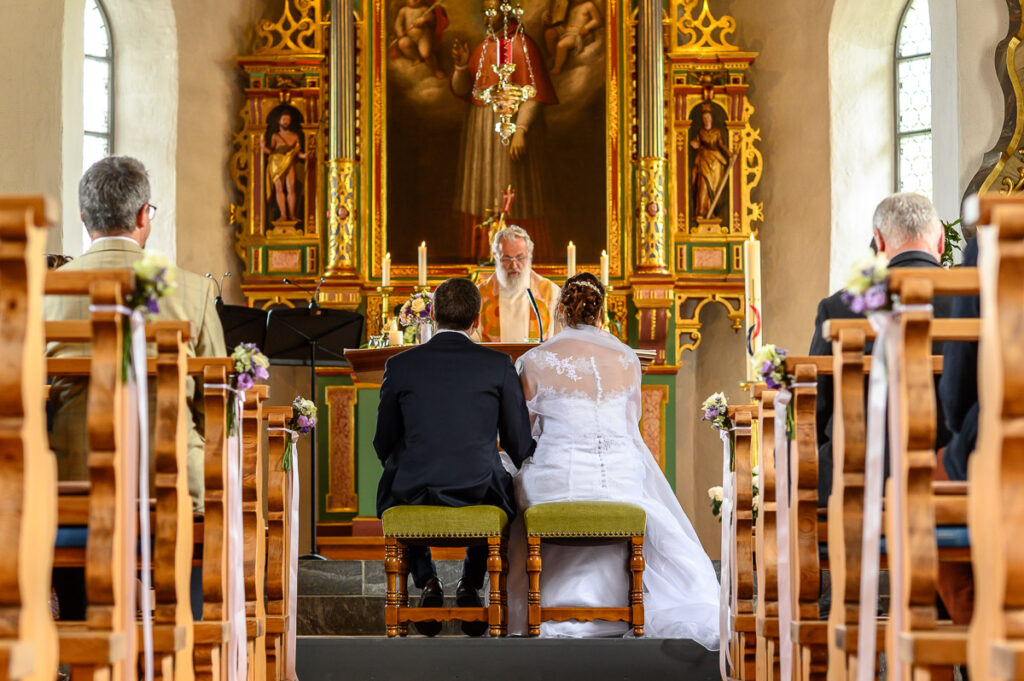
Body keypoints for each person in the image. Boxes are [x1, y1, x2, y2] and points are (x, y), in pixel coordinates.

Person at [46, 156, 226, 622]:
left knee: (62, 523)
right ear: (145, 214)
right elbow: (216, 405)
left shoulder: (44, 291)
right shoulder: (190, 291)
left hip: (72, 488)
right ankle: (183, 634)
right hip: (171, 487)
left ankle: (80, 637)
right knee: (200, 520)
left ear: (83, 218)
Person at [506, 273, 720, 643]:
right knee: (625, 494)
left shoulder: (533, 360)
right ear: (601, 313)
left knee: (515, 482)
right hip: (621, 476)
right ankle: (620, 607)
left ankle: (543, 608)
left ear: (559, 309)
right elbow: (630, 423)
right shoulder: (626, 358)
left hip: (558, 480)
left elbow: (524, 433)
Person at [374, 277, 536, 636]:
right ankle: (470, 583)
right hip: (477, 486)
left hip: (415, 488)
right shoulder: (497, 365)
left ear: (432, 317)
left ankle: (428, 581)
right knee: (500, 484)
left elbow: (382, 442)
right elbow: (518, 445)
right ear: (477, 319)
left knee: (394, 483)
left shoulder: (400, 365)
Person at [808, 192, 953, 507]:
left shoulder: (838, 307)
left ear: (879, 242)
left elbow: (814, 409)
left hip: (857, 488)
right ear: (940, 241)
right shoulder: (976, 300)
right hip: (956, 481)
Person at [450, 0, 558, 261]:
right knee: (481, 194)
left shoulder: (522, 45)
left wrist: (520, 129)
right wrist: (463, 66)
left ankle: (516, 258)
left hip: (510, 131)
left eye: (495, 8)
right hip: (481, 135)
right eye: (486, 9)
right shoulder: (484, 45)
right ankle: (481, 256)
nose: (490, 15)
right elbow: (466, 90)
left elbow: (534, 93)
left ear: (507, 10)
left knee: (512, 191)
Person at [473, 225, 561, 342]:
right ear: (495, 256)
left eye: (520, 258)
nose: (514, 266)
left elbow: (560, 341)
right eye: (507, 259)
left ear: (530, 253)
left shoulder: (552, 293)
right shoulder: (478, 296)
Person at [261, 111, 307, 223]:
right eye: (284, 119)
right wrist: (263, 147)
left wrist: (305, 155)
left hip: (289, 163)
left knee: (291, 188)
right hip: (276, 164)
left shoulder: (295, 136)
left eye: (288, 120)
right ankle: (283, 215)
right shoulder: (275, 136)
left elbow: (298, 152)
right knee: (279, 188)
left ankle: (291, 215)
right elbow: (271, 150)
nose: (286, 122)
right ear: (279, 121)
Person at [691, 101, 731, 220]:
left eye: (708, 117)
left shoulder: (717, 132)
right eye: (704, 118)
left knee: (713, 188)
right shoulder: (700, 132)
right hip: (704, 159)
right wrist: (694, 144)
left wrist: (729, 153)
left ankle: (711, 211)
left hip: (716, 161)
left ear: (711, 118)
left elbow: (721, 145)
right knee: (703, 184)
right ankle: (701, 212)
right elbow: (696, 142)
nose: (707, 120)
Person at [543, 0, 603, 74]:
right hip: (565, 30)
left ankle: (557, 68)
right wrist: (548, 18)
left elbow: (597, 20)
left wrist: (586, 27)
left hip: (576, 33)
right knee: (549, 33)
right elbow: (558, 18)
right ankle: (554, 56)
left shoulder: (589, 5)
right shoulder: (568, 5)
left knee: (561, 45)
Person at [392, 0, 448, 78]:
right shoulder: (403, 10)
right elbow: (398, 24)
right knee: (402, 43)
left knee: (426, 54)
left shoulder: (424, 9)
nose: (414, 0)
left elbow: (433, 20)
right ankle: (417, 57)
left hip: (423, 37)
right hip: (410, 37)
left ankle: (436, 70)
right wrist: (400, 31)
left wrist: (424, 19)